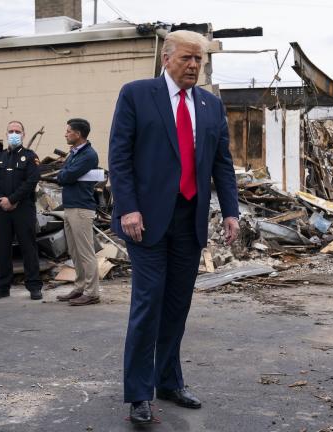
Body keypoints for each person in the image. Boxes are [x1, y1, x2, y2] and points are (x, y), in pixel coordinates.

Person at [108, 30, 240, 424]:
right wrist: (128, 208)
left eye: (199, 60)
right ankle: (138, 393)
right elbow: (120, 156)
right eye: (187, 58)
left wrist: (231, 211)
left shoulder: (210, 106)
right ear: (166, 58)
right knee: (148, 303)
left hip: (190, 220)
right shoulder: (136, 94)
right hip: (145, 222)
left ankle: (168, 380)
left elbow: (222, 164)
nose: (194, 66)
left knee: (177, 306)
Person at [0, 121, 43, 300]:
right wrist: (3, 200)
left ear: (24, 135)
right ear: (6, 134)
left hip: (23, 209)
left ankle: (34, 286)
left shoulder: (30, 157)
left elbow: (32, 181)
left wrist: (13, 199)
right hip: (1, 209)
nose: (14, 134)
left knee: (28, 248)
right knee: (2, 249)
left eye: (18, 131)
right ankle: (2, 287)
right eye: (11, 131)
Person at [55, 118, 101, 306]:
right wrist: (64, 174)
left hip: (82, 208)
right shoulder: (74, 153)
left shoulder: (89, 155)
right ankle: (80, 286)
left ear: (78, 134)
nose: (65, 134)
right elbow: (63, 174)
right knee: (74, 252)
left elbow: (66, 176)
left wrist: (65, 174)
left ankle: (92, 292)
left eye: (68, 131)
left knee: (85, 252)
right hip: (70, 207)